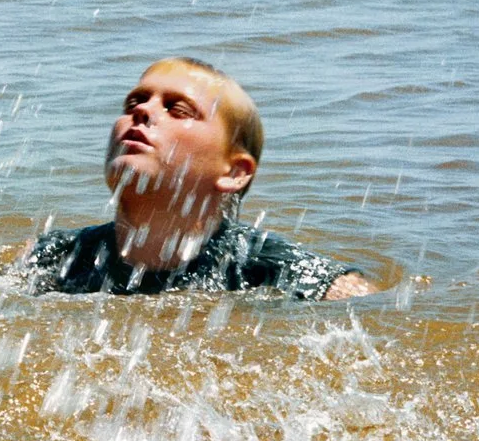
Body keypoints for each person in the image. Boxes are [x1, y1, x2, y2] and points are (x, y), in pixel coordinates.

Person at [20, 58, 373, 300]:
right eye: (133, 103)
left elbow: (368, 305)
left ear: (234, 172)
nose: (142, 111)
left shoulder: (273, 271)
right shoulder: (53, 257)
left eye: (178, 109)